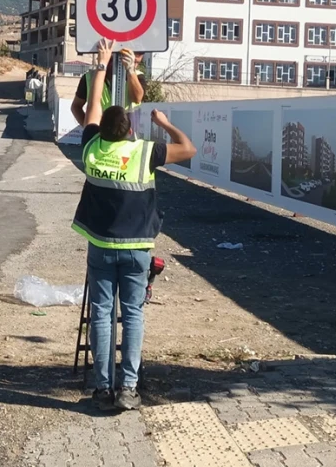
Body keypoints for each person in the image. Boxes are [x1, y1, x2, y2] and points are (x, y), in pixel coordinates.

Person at [72, 38, 196, 411]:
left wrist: (101, 66)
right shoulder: (145, 152)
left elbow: (92, 109)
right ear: (130, 129)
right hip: (138, 248)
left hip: (102, 247)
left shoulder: (91, 148)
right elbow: (187, 149)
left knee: (102, 314)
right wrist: (166, 124)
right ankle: (129, 388)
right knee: (135, 314)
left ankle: (101, 387)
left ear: (101, 130)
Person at [70, 48, 145, 127]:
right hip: (100, 137)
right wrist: (89, 130)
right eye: (133, 62)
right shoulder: (89, 78)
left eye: (137, 62)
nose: (135, 65)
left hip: (127, 135)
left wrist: (131, 71)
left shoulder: (137, 76)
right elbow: (76, 107)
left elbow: (137, 98)